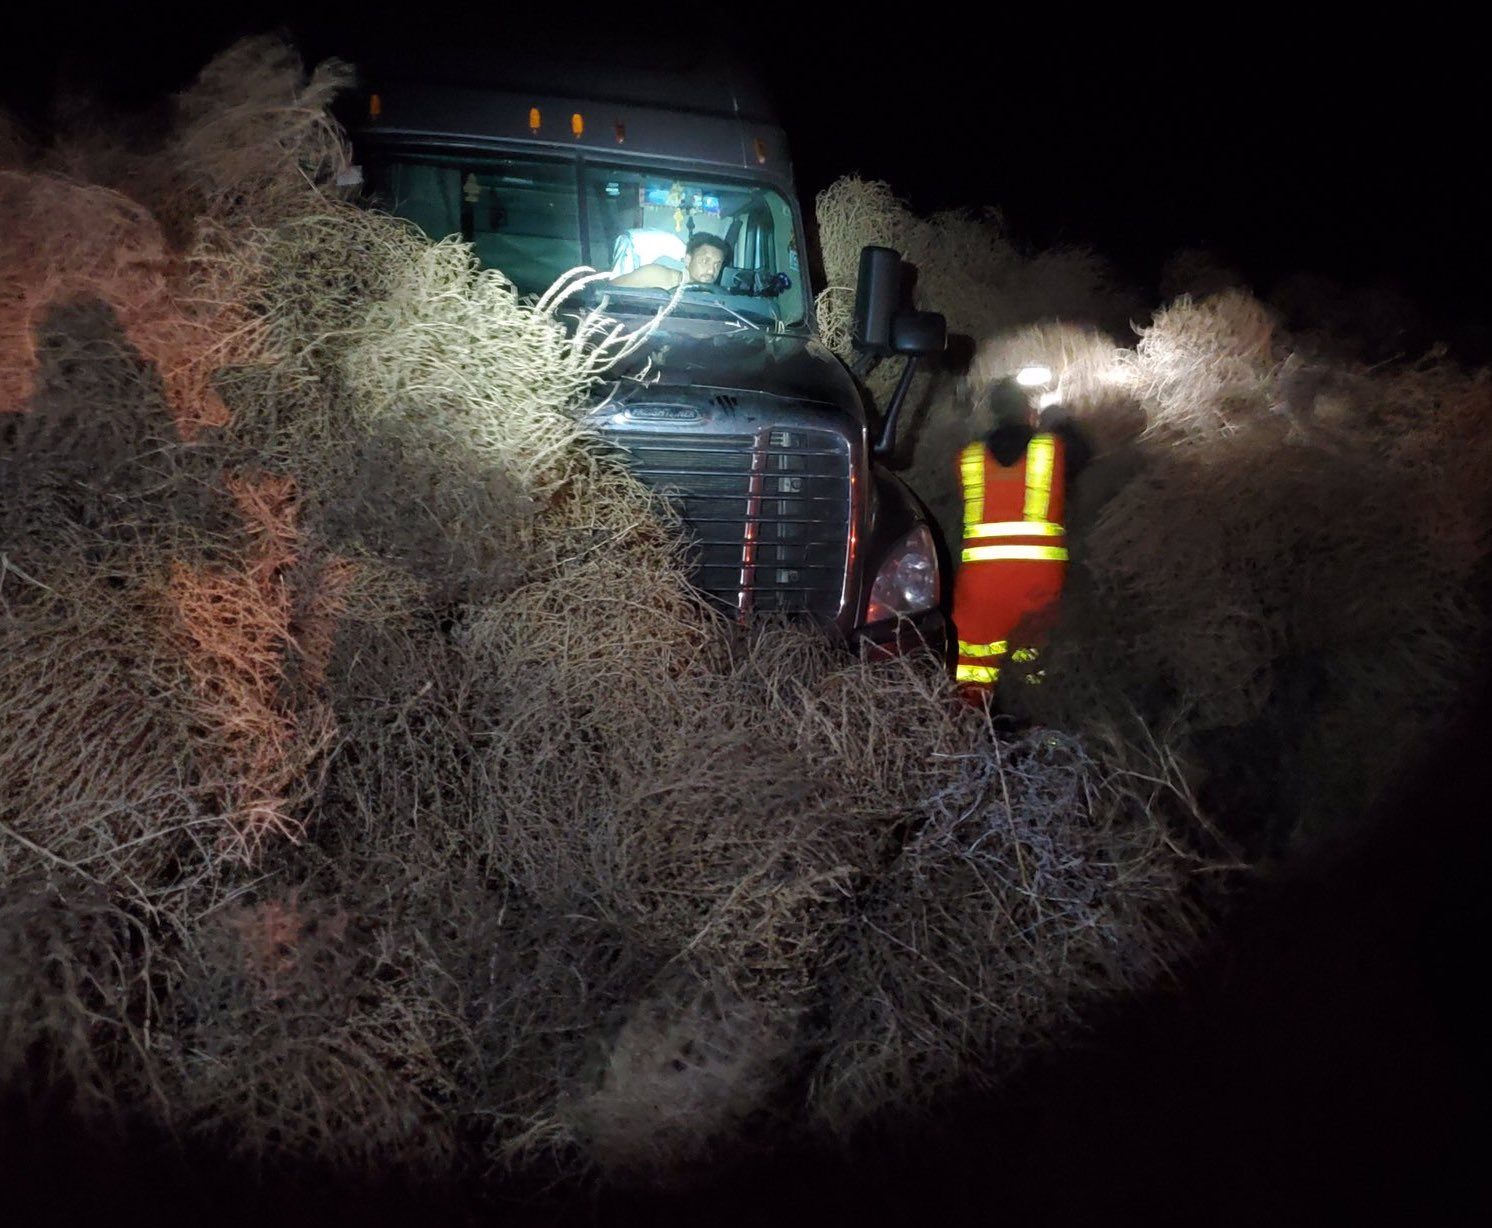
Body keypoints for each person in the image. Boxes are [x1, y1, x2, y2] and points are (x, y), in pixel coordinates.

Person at [951, 377, 1073, 704]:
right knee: (1032, 662)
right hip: (1039, 582)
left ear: (992, 412)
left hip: (981, 583)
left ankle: (969, 730)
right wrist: (1058, 418)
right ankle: (1034, 723)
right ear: (1028, 410)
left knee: (974, 665)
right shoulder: (1053, 449)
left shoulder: (969, 457)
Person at [610, 232, 731, 290]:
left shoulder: (716, 297)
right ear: (688, 260)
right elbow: (608, 290)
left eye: (717, 264)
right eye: (705, 261)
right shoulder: (655, 275)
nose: (711, 270)